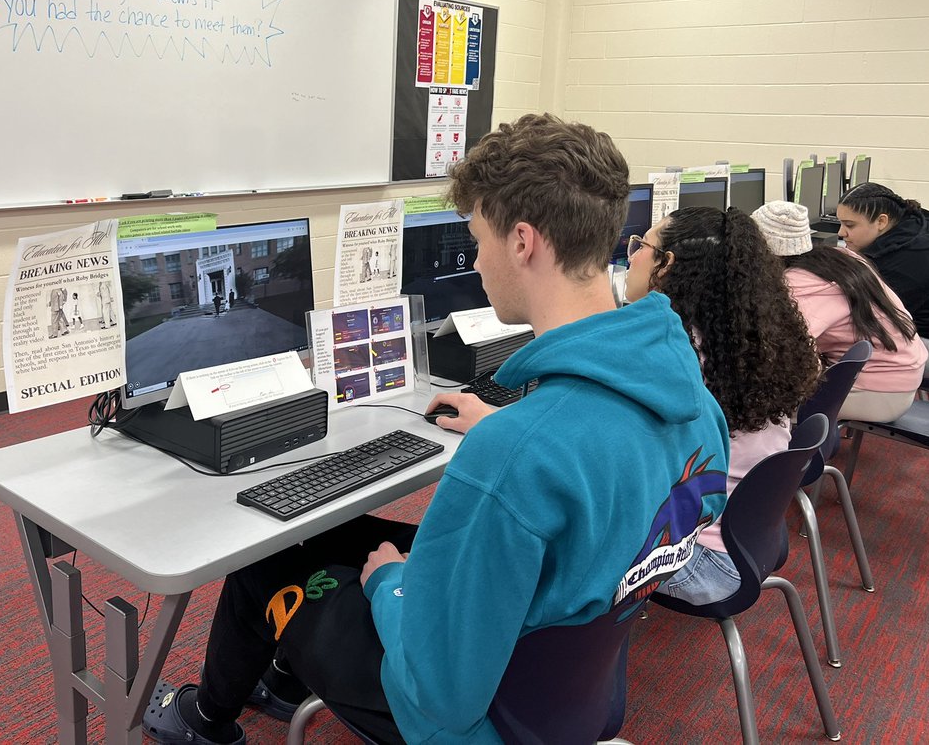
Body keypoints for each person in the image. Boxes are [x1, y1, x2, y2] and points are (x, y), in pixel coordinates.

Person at [145, 114, 730, 744]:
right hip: (565, 684)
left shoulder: (515, 455)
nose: (475, 260)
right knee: (340, 536)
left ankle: (205, 723)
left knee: (263, 566)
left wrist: (390, 584)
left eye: (477, 238)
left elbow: (440, 693)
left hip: (469, 717)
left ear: (523, 242)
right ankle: (285, 677)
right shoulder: (693, 399)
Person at [623, 205, 820, 605]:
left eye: (641, 244)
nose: (632, 255)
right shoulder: (749, 338)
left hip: (703, 558)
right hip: (750, 540)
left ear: (666, 266)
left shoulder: (673, 355)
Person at [753, 201, 927, 423]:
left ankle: (800, 451)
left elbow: (783, 352)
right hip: (904, 371)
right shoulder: (841, 257)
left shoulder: (799, 286)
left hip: (881, 391)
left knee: (755, 406)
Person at [837, 182, 929, 380]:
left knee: (838, 340)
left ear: (881, 221)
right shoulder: (918, 230)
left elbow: (866, 316)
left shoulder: (903, 263)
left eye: (850, 225)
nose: (841, 233)